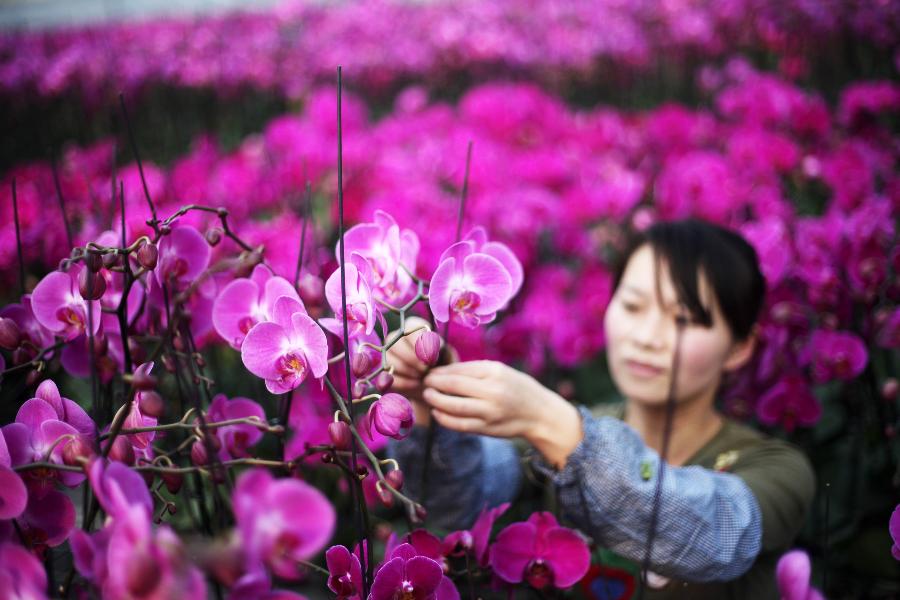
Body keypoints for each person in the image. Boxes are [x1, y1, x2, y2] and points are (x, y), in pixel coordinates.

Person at [387, 219, 816, 599]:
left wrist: (554, 426)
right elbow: (457, 504)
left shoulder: (778, 470)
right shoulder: (564, 430)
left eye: (683, 319)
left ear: (740, 347)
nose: (648, 336)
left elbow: (715, 535)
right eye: (632, 306)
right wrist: (428, 408)